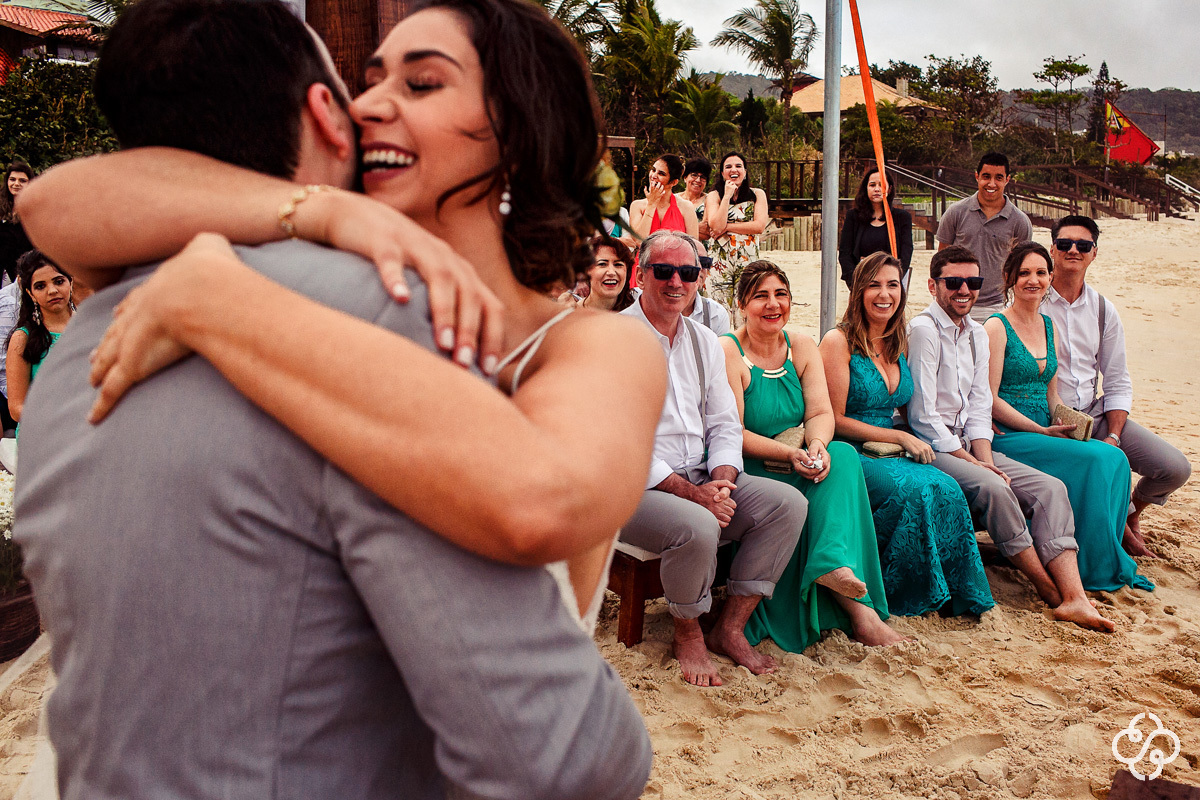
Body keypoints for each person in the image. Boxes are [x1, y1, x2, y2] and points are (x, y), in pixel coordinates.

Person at [15, 0, 657, 798]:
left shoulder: (593, 345)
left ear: (517, 133)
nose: (370, 103)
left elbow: (544, 496)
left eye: (422, 84)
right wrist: (315, 207)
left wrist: (225, 303)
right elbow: (48, 203)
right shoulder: (334, 270)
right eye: (368, 80)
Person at [619, 230, 806, 687]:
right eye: (663, 271)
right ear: (640, 276)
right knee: (698, 524)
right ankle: (688, 631)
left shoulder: (704, 340)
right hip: (626, 489)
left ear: (700, 278)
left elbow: (723, 423)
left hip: (700, 476)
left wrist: (721, 482)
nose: (675, 282)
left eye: (687, 272)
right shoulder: (612, 340)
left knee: (788, 505)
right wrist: (696, 495)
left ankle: (730, 627)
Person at [907, 246, 1117, 631]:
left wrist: (983, 455)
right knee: (995, 488)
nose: (964, 290)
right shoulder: (923, 330)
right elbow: (924, 419)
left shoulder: (974, 333)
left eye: (972, 282)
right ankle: (1047, 588)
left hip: (969, 444)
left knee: (1051, 489)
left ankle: (1074, 596)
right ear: (933, 286)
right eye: (953, 282)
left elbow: (979, 406)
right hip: (931, 446)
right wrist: (977, 464)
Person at [721, 259, 905, 650]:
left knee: (842, 455)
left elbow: (821, 413)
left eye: (781, 295)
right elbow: (732, 433)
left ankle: (833, 568)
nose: (773, 305)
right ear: (742, 304)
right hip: (757, 466)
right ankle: (859, 612)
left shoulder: (801, 344)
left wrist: (817, 446)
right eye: (761, 297)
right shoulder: (729, 351)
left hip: (801, 458)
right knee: (817, 487)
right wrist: (788, 457)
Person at [820, 252, 994, 618]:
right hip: (850, 450)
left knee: (945, 487)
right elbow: (833, 418)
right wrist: (902, 438)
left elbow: (912, 404)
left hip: (890, 445)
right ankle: (901, 592)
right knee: (912, 491)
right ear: (858, 291)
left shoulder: (898, 341)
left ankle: (951, 593)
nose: (885, 295)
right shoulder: (838, 342)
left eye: (892, 285)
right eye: (874, 285)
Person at [984, 241, 1152, 597]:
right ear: (1010, 279)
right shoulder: (996, 327)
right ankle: (1092, 568)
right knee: (1094, 460)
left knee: (1115, 457)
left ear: (1050, 277)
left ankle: (1104, 552)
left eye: (1041, 273)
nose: (1034, 280)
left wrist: (1071, 423)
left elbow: (1052, 394)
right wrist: (1040, 430)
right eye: (1025, 273)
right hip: (1010, 433)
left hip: (1048, 427)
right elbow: (990, 398)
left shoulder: (1049, 326)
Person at [1043, 214, 1191, 558]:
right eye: (1064, 244)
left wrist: (1113, 435)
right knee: (1104, 469)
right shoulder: (1031, 299)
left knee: (1173, 468)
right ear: (1053, 250)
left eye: (1083, 245)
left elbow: (1118, 379)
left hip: (1094, 413)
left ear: (1094, 253)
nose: (1073, 250)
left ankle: (1132, 515)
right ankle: (1120, 528)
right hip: (1048, 418)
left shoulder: (1102, 309)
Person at [935, 152, 1032, 322]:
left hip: (999, 305)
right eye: (986, 176)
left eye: (999, 178)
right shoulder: (955, 213)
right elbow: (940, 259)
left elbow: (1023, 266)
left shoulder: (1020, 221)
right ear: (976, 176)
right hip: (957, 299)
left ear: (1007, 180)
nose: (991, 183)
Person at [5, 250, 74, 425]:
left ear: (71, 282)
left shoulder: (90, 327)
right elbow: (16, 408)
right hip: (44, 431)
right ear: (30, 294)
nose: (52, 291)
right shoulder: (22, 339)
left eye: (59, 281)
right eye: (40, 286)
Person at [705, 151, 768, 309]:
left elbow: (759, 226)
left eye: (738, 166)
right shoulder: (714, 196)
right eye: (728, 167)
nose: (734, 170)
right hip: (719, 260)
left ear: (745, 172)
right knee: (718, 308)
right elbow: (715, 226)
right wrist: (727, 196)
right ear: (722, 173)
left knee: (746, 306)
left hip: (747, 258)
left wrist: (727, 227)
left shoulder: (757, 194)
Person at [839, 166, 913, 289]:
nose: (877, 189)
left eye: (882, 185)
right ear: (866, 188)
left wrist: (895, 280)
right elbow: (845, 253)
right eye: (872, 185)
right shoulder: (853, 216)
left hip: (891, 280)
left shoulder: (902, 218)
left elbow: (906, 252)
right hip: (861, 280)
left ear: (889, 189)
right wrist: (854, 283)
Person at [628, 153, 699, 241]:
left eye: (661, 174)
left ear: (673, 182)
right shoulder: (637, 205)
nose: (653, 176)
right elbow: (639, 241)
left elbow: (694, 245)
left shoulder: (686, 207)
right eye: (653, 170)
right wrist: (651, 204)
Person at [580, 234, 634, 312]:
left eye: (618, 264)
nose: (611, 272)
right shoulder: (570, 315)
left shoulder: (638, 313)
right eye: (602, 264)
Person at [0, 161, 33, 286]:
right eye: (12, 179)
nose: (16, 184)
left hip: (25, 272)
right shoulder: (1, 208)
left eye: (22, 180)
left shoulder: (34, 211)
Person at [677, 157, 711, 242]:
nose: (698, 180)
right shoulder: (674, 199)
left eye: (703, 177)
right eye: (694, 175)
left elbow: (706, 232)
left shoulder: (710, 199)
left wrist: (677, 229)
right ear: (685, 177)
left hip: (701, 250)